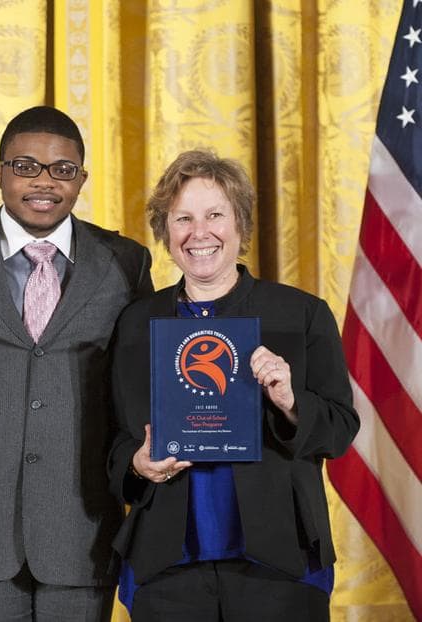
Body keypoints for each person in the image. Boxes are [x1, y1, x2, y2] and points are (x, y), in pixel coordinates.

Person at [108, 149, 360, 622]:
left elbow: (341, 430)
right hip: (166, 563)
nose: (199, 233)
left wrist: (290, 401)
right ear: (166, 231)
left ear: (240, 223)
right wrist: (137, 464)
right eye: (182, 218)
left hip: (280, 563)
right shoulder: (137, 322)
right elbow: (116, 438)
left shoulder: (301, 313)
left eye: (215, 215)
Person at [0, 106, 153, 621]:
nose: (44, 182)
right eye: (25, 166)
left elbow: (141, 383)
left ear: (82, 178)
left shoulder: (125, 261)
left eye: (62, 169)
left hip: (83, 525)